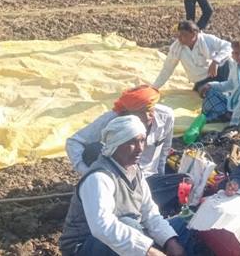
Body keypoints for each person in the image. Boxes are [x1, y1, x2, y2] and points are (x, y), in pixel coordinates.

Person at [60, 115, 194, 256]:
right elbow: (103, 227)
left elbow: (150, 213)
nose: (140, 148)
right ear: (115, 144)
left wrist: (170, 241)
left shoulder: (134, 170)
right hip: (83, 247)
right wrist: (147, 250)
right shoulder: (99, 178)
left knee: (187, 223)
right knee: (130, 225)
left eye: (142, 141)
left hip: (127, 236)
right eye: (132, 142)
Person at [65, 86, 187, 215]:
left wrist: (161, 176)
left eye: (151, 110)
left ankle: (130, 204)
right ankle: (123, 203)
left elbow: (164, 150)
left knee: (185, 181)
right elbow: (73, 142)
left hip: (147, 177)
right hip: (118, 178)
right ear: (128, 114)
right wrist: (88, 173)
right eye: (142, 112)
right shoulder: (112, 120)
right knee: (92, 151)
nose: (149, 116)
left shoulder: (166, 116)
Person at [152, 20, 232, 92]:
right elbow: (167, 69)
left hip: (218, 72)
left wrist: (216, 61)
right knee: (209, 92)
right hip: (202, 81)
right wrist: (154, 87)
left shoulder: (206, 39)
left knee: (231, 62)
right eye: (179, 35)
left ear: (194, 33)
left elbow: (228, 46)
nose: (180, 38)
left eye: (184, 35)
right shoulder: (176, 48)